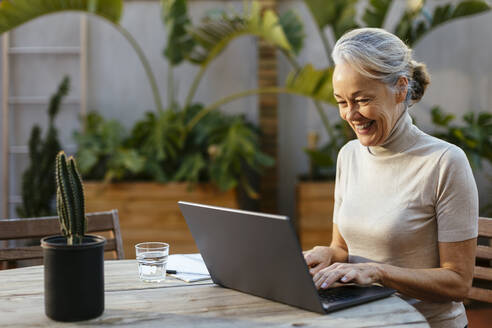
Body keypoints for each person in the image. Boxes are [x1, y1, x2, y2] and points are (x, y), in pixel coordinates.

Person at [303, 28, 478, 328]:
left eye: (361, 99)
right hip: (361, 320)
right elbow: (343, 249)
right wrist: (328, 254)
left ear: (400, 88)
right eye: (342, 102)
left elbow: (458, 283)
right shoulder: (349, 155)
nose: (351, 114)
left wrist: (380, 273)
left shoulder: (444, 162)